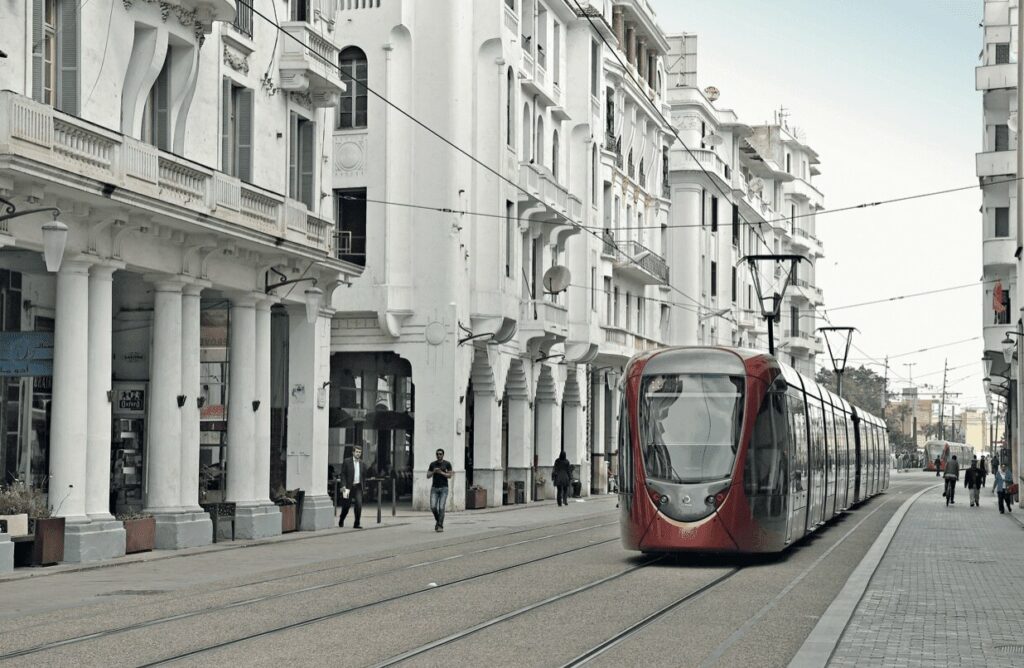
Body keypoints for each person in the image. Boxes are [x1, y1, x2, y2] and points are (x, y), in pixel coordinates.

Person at [339, 445, 366, 528]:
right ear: (353, 452)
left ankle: (356, 523)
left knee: (359, 504)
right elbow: (343, 475)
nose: (358, 454)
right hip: (347, 487)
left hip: (358, 487)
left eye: (360, 452)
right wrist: (343, 485)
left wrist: (363, 486)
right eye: (357, 452)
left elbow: (364, 476)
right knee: (346, 506)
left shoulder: (362, 463)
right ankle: (341, 519)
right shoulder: (347, 461)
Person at [427, 448, 453, 532]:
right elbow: (428, 475)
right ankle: (438, 521)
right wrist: (434, 471)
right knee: (433, 507)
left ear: (443, 455)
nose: (439, 455)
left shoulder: (447, 464)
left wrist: (441, 472)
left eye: (440, 454)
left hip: (444, 488)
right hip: (434, 488)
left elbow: (449, 475)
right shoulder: (432, 464)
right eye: (437, 454)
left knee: (441, 507)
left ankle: (440, 526)